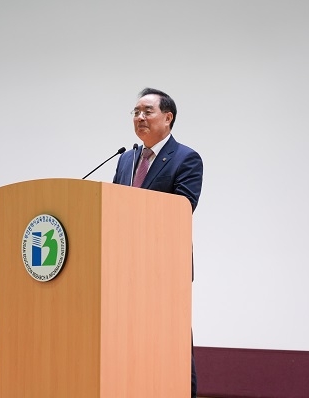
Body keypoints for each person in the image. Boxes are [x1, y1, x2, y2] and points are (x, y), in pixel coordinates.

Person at [112, 87, 203, 397]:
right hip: (125, 267)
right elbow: (112, 208)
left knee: (172, 340)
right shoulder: (126, 160)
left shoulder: (186, 158)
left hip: (164, 267)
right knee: (130, 339)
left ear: (168, 117)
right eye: (136, 112)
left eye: (147, 111)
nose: (140, 117)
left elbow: (182, 209)